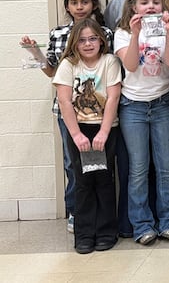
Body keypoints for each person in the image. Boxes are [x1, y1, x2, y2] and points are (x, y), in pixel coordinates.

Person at [20, 0, 113, 234]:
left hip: (98, 112)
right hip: (67, 111)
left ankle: (99, 216)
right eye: (74, 2)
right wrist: (34, 52)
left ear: (94, 5)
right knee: (73, 163)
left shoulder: (104, 32)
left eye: (85, 2)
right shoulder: (58, 33)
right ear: (67, 7)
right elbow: (52, 71)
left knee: (100, 164)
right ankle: (76, 212)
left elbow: (108, 69)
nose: (80, 7)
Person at [114, 0, 169, 245]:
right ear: (134, 7)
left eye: (156, 2)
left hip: (163, 104)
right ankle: (142, 225)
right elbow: (130, 64)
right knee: (138, 169)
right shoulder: (122, 34)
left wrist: (167, 32)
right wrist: (134, 34)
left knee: (166, 168)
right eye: (145, 2)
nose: (151, 6)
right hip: (133, 106)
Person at [52, 18, 121, 254]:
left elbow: (113, 97)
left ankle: (105, 232)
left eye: (93, 38)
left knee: (103, 179)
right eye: (82, 40)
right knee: (83, 182)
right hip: (79, 129)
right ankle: (83, 235)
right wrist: (76, 135)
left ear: (101, 41)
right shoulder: (68, 65)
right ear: (75, 44)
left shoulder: (109, 61)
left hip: (104, 129)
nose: (88, 44)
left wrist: (103, 131)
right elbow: (64, 100)